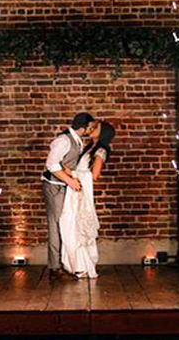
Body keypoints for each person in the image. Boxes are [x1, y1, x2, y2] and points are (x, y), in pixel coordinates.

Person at [42, 112, 97, 280]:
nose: (92, 129)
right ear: (83, 127)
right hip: (54, 187)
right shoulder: (63, 141)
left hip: (65, 187)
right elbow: (51, 164)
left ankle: (64, 264)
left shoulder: (77, 141)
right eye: (90, 127)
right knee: (56, 225)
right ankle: (54, 268)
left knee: (65, 225)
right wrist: (70, 181)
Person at [59, 121, 115, 279]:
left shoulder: (101, 150)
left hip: (80, 190)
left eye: (95, 128)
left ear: (103, 132)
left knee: (76, 226)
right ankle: (73, 264)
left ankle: (81, 265)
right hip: (75, 187)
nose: (91, 129)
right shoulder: (89, 147)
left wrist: (73, 175)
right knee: (69, 223)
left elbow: (94, 175)